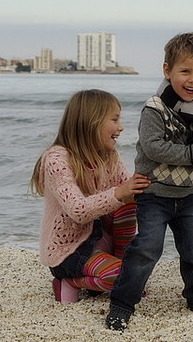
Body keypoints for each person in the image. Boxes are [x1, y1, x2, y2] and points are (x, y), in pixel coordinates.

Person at [106, 32, 193, 330]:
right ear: (167, 70)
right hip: (154, 193)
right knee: (147, 248)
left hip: (189, 194)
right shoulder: (154, 108)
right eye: (185, 71)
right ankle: (122, 304)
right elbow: (152, 147)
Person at [30, 89, 150, 303]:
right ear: (91, 123)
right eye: (114, 119)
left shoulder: (109, 156)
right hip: (69, 252)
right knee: (125, 278)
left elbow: (129, 191)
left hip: (101, 240)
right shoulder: (57, 159)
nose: (121, 127)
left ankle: (120, 262)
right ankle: (70, 282)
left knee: (128, 202)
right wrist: (121, 191)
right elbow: (78, 211)